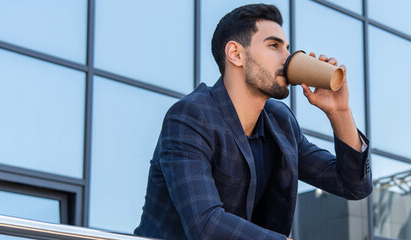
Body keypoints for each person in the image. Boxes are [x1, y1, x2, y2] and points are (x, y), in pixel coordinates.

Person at [134, 3, 371, 239]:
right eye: (274, 46)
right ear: (236, 54)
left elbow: (354, 186)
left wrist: (339, 111)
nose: (287, 59)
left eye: (287, 48)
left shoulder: (281, 123)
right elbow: (205, 225)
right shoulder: (190, 118)